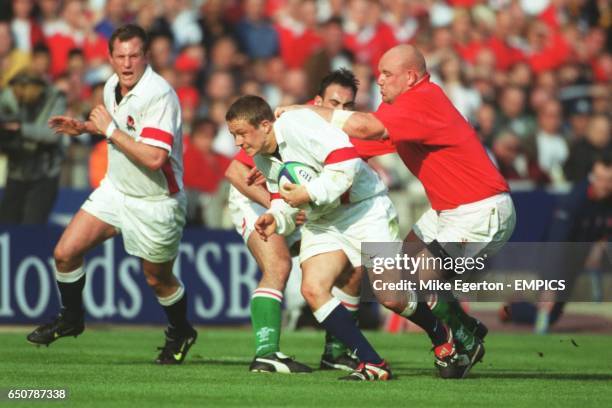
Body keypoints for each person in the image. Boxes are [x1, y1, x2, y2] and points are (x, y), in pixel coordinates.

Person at [277, 44, 517, 376]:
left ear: (410, 77)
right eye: (379, 73)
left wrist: (304, 113)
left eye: (387, 74)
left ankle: (461, 338)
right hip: (449, 212)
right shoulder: (406, 108)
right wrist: (286, 156)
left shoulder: (423, 99)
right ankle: (466, 329)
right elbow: (355, 146)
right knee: (400, 270)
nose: (379, 81)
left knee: (420, 275)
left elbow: (365, 129)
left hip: (480, 209)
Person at [26, 24, 197, 365]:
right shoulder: (110, 87)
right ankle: (71, 318)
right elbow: (123, 130)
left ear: (147, 56)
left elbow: (154, 158)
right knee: (65, 253)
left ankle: (181, 330)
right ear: (110, 58)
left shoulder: (158, 94)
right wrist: (87, 128)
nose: (127, 63)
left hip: (156, 202)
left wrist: (109, 129)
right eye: (120, 56)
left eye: (134, 55)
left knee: (157, 279)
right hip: (116, 191)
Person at [0, 70, 66, 224]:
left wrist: (21, 128)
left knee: (33, 223)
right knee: (7, 222)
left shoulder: (55, 98)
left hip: (45, 174)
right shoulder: (9, 97)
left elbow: (52, 134)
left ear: (38, 88)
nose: (22, 96)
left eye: (26, 90)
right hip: (17, 171)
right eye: (18, 92)